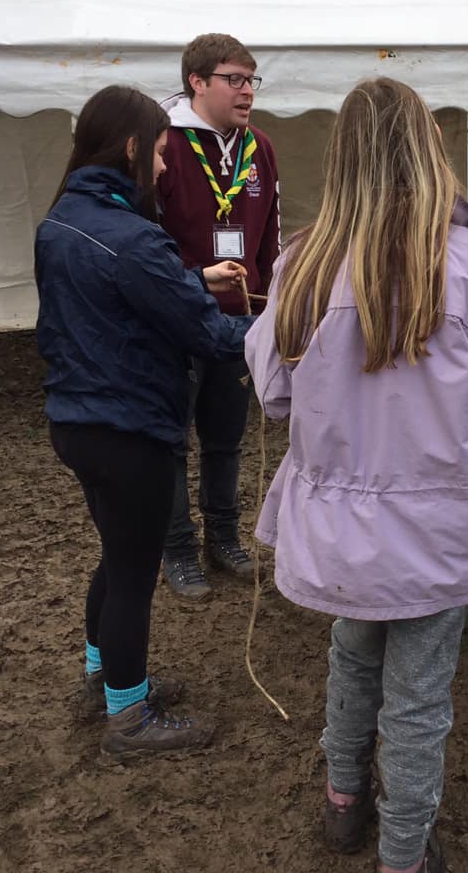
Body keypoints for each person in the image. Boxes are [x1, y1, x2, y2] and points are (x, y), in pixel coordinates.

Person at [244, 78, 468, 873]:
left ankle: (344, 801)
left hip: (336, 524)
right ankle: (404, 852)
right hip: (435, 528)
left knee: (352, 654)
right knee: (417, 697)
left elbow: (273, 395)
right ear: (429, 147)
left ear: (341, 155)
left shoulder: (302, 263)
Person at [35, 85, 254, 759]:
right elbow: (209, 336)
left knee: (117, 553)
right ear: (131, 147)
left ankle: (104, 679)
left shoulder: (63, 219)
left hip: (77, 419)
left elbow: (125, 292)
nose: (163, 167)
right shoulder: (133, 237)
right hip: (129, 428)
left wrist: (191, 279)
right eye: (159, 153)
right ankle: (129, 719)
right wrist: (283, 329)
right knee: (133, 574)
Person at [157, 33, 280, 600]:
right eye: (234, 79)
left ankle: (224, 537)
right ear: (197, 82)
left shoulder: (260, 147)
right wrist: (182, 286)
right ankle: (178, 548)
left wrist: (268, 300)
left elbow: (270, 233)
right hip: (177, 316)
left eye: (251, 80)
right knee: (171, 440)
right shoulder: (165, 142)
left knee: (226, 438)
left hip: (239, 319)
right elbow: (147, 236)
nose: (247, 91)